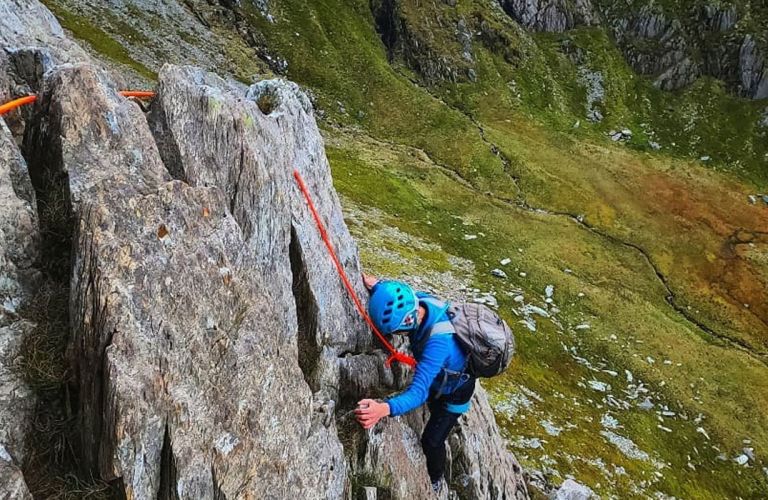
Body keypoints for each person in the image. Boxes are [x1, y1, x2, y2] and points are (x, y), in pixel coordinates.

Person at [355, 274, 476, 492]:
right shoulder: (420, 302)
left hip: (455, 393)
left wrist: (384, 409)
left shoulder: (438, 344)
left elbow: (419, 393)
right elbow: (401, 297)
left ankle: (437, 479)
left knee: (431, 440)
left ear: (408, 322)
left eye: (396, 332)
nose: (395, 336)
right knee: (432, 409)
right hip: (443, 378)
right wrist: (381, 288)